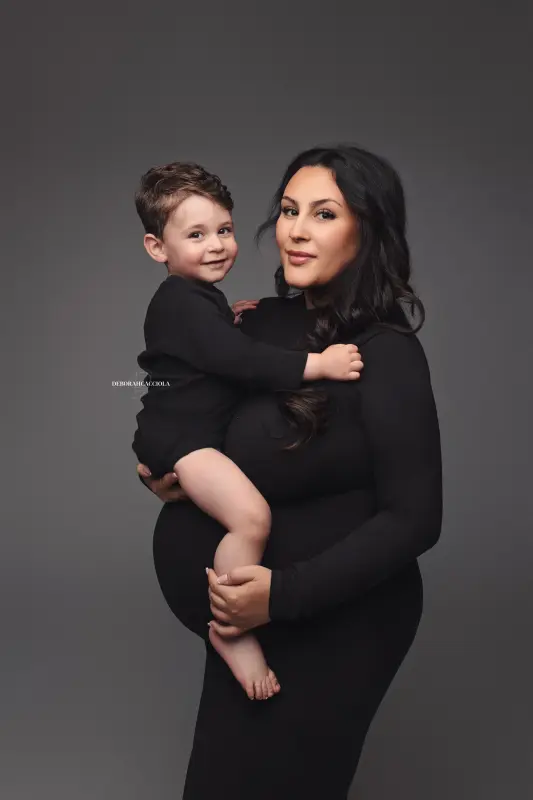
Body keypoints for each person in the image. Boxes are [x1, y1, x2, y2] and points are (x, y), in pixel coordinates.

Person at [136, 144, 443, 799]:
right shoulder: (251, 322)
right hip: (244, 630)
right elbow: (177, 391)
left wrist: (280, 594)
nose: (296, 230)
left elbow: (415, 519)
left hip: (334, 624)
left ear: (367, 230)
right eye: (286, 210)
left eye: (323, 213)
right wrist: (165, 465)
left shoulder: (384, 353)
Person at [132, 162, 364, 702]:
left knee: (249, 514)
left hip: (185, 433)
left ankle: (233, 624)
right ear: (156, 247)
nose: (217, 245)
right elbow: (240, 363)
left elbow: (209, 348)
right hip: (183, 440)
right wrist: (319, 365)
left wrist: (225, 322)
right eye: (196, 234)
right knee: (251, 519)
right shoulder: (177, 301)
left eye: (225, 230)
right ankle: (232, 628)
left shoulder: (197, 301)